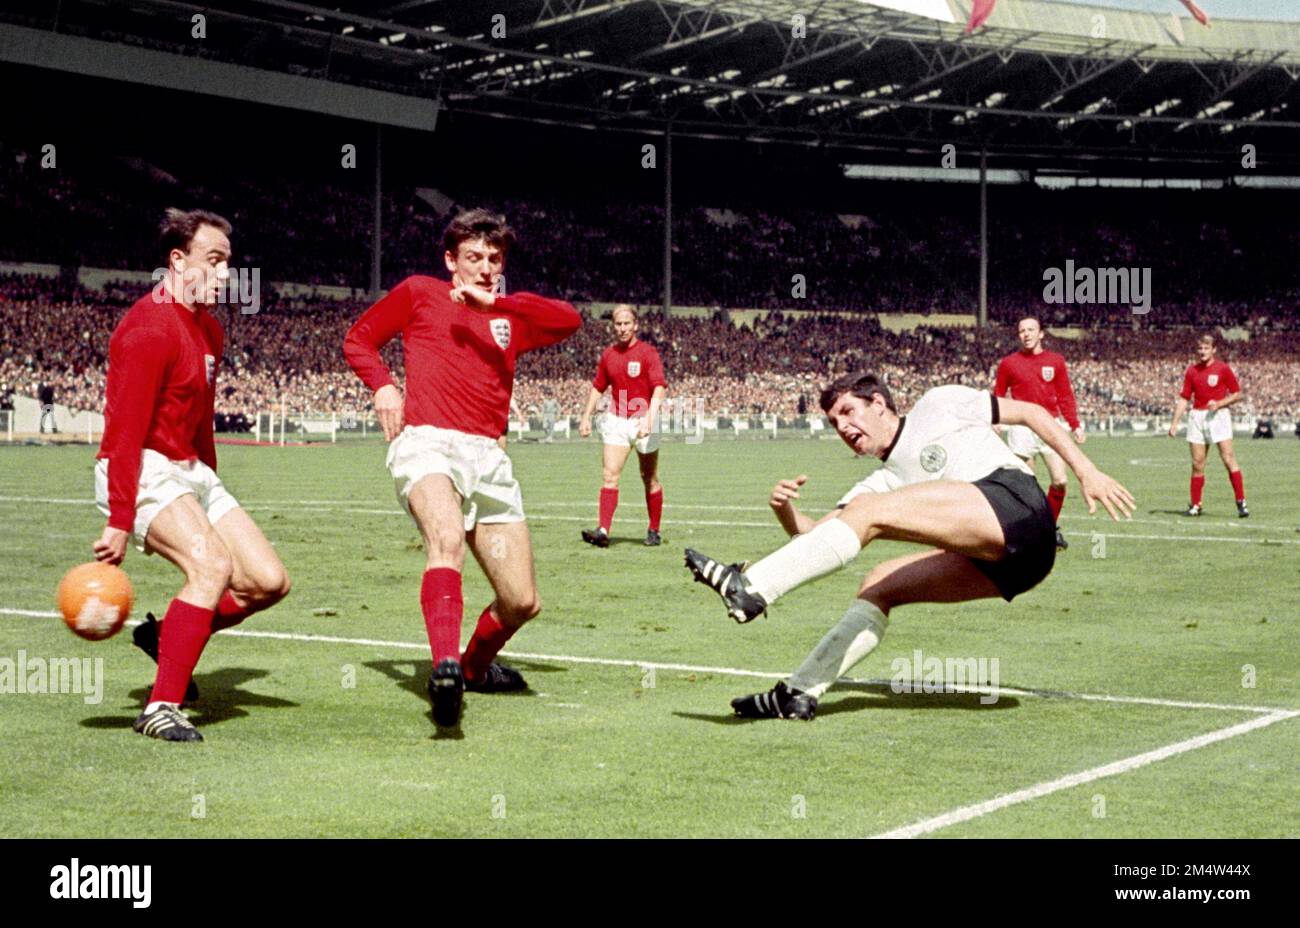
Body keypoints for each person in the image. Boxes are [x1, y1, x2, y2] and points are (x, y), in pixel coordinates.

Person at [683, 371, 1133, 721]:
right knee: (878, 584)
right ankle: (799, 693)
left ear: (878, 403)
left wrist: (1085, 471)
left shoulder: (937, 404)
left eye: (848, 411)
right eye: (834, 422)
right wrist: (783, 509)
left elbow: (1032, 413)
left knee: (867, 510)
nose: (842, 426)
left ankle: (751, 585)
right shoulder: (881, 483)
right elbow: (812, 536)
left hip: (1018, 508)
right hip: (1018, 567)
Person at [343, 208, 580, 731]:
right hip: (427, 444)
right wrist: (383, 384)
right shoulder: (419, 292)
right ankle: (445, 667)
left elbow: (570, 320)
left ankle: (473, 669)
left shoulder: (509, 316)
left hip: (489, 460)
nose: (484, 266)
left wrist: (494, 301)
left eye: (494, 259)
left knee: (521, 601)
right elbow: (358, 340)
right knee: (445, 537)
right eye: (473, 257)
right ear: (450, 261)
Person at [94, 208, 291, 742]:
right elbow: (126, 431)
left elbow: (200, 421)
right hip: (141, 469)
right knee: (211, 567)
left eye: (229, 262)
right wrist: (118, 518)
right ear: (178, 262)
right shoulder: (149, 327)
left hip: (190, 470)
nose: (226, 273)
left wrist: (211, 486)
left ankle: (166, 635)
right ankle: (160, 707)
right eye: (215, 260)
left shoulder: (209, 329)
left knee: (268, 581)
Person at [578, 305, 667, 547]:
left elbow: (659, 386)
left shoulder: (648, 353)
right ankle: (603, 530)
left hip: (644, 420)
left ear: (635, 325)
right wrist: (586, 416)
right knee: (609, 476)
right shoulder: (608, 355)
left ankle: (654, 530)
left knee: (648, 477)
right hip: (616, 420)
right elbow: (598, 386)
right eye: (618, 324)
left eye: (627, 323)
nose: (622, 328)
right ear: (613, 326)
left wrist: (650, 417)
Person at [993, 316, 1083, 549]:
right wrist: (996, 422)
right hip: (1021, 427)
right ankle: (1024, 534)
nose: (1026, 334)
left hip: (1050, 425)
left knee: (1060, 481)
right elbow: (999, 394)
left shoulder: (1056, 361)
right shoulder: (1008, 363)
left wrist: (1075, 425)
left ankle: (1048, 528)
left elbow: (1065, 395)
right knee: (1025, 485)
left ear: (1041, 333)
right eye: (1022, 330)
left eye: (1031, 329)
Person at [1168, 334, 1248, 517]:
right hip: (1197, 417)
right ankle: (1196, 505)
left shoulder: (1223, 369)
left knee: (1228, 459)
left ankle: (1241, 502)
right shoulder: (1191, 371)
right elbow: (1184, 398)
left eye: (1206, 348)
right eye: (1200, 348)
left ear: (1213, 349)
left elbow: (1237, 393)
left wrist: (1219, 403)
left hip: (1218, 416)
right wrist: (1174, 423)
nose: (1202, 352)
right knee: (1197, 463)